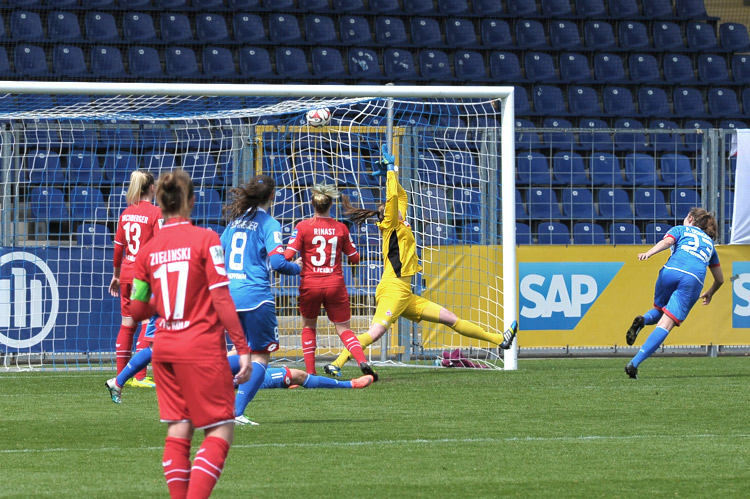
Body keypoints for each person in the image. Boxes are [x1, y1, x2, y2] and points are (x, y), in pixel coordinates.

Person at [323, 146, 517, 377]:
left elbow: (400, 196)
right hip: (393, 290)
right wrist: (391, 172)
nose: (399, 210)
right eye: (393, 210)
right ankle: (337, 362)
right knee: (374, 333)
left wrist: (390, 173)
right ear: (388, 215)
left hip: (406, 293)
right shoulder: (391, 224)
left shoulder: (401, 220)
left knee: (450, 318)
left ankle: (500, 340)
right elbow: (393, 197)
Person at [125, 168, 251, 499]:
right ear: (191, 202)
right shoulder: (207, 240)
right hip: (201, 349)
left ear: (161, 204)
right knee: (220, 427)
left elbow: (137, 310)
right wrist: (243, 348)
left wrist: (158, 302)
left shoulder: (147, 252)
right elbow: (222, 298)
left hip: (164, 349)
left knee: (180, 426)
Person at [221, 174, 303, 425]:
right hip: (256, 297)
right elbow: (278, 262)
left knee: (243, 350)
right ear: (272, 196)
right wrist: (297, 268)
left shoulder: (235, 222)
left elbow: (219, 248)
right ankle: (236, 412)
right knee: (260, 357)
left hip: (229, 296)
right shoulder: (269, 224)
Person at [283, 184, 372, 377]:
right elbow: (355, 258)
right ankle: (362, 361)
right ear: (331, 204)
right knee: (344, 329)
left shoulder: (302, 226)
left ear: (312, 204)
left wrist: (292, 259)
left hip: (310, 284)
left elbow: (288, 254)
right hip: (335, 285)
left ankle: (310, 373)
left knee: (308, 326)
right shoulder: (341, 228)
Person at [624, 207, 724, 379]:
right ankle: (634, 363)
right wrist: (710, 292)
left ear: (691, 218)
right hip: (693, 279)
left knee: (659, 310)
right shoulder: (710, 245)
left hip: (670, 271)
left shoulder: (680, 229)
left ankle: (643, 320)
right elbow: (720, 279)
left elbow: (667, 242)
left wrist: (649, 252)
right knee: (666, 323)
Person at [109, 170, 161, 388]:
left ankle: (121, 376)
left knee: (127, 323)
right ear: (152, 188)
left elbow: (118, 248)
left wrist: (116, 275)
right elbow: (161, 244)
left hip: (127, 273)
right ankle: (139, 377)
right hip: (144, 275)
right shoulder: (156, 213)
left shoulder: (126, 213)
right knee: (147, 321)